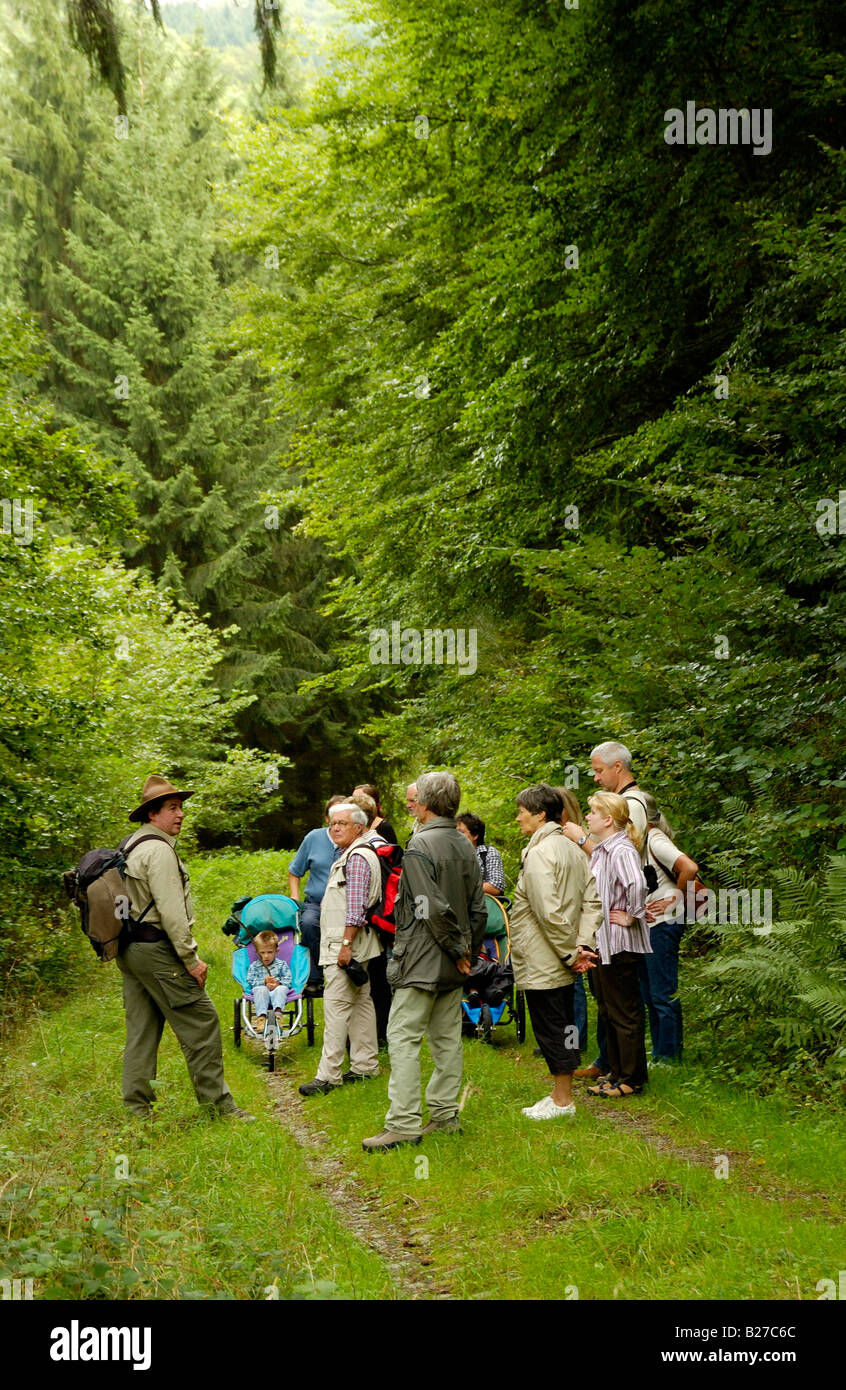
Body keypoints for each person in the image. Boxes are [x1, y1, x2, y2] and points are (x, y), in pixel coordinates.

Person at [362, 771, 487, 1151]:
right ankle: (446, 1115)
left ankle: (402, 1123)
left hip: (422, 960)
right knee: (447, 1039)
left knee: (402, 1038)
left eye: (415, 800)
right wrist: (468, 952)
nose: (409, 806)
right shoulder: (465, 844)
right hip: (452, 961)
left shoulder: (419, 847)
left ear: (428, 805)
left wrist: (457, 951)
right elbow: (478, 910)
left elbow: (431, 907)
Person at [117, 775, 253, 1121]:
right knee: (202, 1020)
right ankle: (220, 1108)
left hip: (131, 950)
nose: (180, 815)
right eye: (172, 808)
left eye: (181, 808)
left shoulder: (131, 845)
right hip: (157, 950)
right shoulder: (159, 851)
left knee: (142, 1030)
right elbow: (172, 914)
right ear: (152, 814)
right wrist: (191, 959)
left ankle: (137, 1112)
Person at [509, 785, 600, 1119]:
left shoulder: (541, 852)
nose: (518, 817)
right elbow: (593, 901)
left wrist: (570, 953)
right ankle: (560, 1095)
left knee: (552, 1029)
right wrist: (583, 944)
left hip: (546, 957)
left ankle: (563, 1101)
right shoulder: (575, 849)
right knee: (565, 1026)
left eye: (522, 811)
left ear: (540, 814)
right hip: (564, 953)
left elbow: (547, 911)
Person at [299, 804, 383, 1096]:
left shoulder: (357, 858)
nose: (335, 828)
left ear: (359, 828)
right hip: (353, 943)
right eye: (333, 823)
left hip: (345, 945)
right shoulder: (351, 854)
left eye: (342, 823)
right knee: (361, 1003)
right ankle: (365, 1066)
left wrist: (346, 946)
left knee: (335, 1007)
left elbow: (356, 908)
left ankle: (328, 1076)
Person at [584, 792, 650, 1098]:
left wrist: (632, 916)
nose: (587, 817)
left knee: (624, 1011)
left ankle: (631, 1078)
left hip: (621, 944)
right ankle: (614, 1072)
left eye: (592, 813)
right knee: (608, 1009)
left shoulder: (621, 849)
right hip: (603, 943)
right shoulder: (602, 850)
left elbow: (637, 883)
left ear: (608, 819)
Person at [638, 792, 699, 1064]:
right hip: (651, 925)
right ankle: (660, 1051)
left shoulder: (655, 838)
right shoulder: (640, 840)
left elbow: (689, 867)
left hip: (665, 923)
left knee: (662, 992)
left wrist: (675, 897)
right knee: (651, 992)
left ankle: (669, 1056)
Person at [287, 795, 345, 993]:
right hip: (316, 902)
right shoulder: (314, 838)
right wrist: (295, 897)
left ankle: (339, 973)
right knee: (309, 923)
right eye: (333, 816)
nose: (337, 822)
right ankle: (315, 976)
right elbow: (295, 871)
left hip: (343, 904)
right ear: (327, 818)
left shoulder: (353, 841)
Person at [246, 930, 292, 1033]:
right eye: (262, 953)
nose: (266, 956)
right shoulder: (254, 966)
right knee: (260, 989)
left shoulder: (282, 965)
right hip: (262, 994)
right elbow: (250, 980)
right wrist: (264, 982)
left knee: (282, 988)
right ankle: (261, 1018)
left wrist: (277, 983)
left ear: (277, 950)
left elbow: (288, 979)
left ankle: (278, 1016)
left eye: (270, 952)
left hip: (277, 992)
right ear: (257, 952)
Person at [455, 813, 506, 897]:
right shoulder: (450, 855)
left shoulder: (488, 853)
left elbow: (496, 887)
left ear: (475, 835)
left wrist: (463, 887)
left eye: (461, 832)